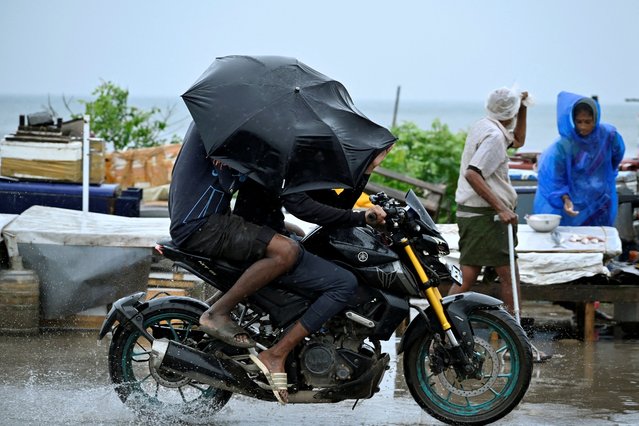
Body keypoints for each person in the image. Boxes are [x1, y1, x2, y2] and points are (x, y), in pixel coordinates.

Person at [448, 87, 529, 316]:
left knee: (471, 275)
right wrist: (501, 208)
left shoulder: (486, 125)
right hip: (485, 216)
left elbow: (519, 140)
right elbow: (473, 173)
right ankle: (518, 339)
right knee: (506, 278)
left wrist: (522, 108)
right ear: (509, 113)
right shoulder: (494, 137)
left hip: (478, 215)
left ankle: (440, 330)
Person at [533, 91, 625, 226]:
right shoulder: (564, 145)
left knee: (601, 238)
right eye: (579, 122)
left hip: (601, 198)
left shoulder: (609, 136)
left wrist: (602, 175)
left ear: (596, 119)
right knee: (574, 238)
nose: (583, 127)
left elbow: (617, 156)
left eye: (588, 122)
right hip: (573, 199)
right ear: (572, 120)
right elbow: (558, 177)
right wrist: (566, 199)